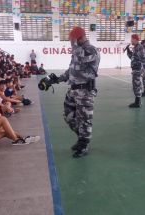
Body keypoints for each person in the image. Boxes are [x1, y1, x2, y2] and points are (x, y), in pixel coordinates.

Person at [44, 27, 100, 158]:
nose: (70, 42)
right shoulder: (76, 52)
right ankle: (82, 138)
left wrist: (74, 44)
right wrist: (57, 79)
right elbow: (71, 70)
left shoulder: (91, 50)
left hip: (85, 91)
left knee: (85, 120)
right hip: (73, 90)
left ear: (79, 38)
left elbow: (81, 56)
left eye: (72, 39)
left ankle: (84, 145)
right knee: (68, 116)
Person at [124, 34, 145, 108]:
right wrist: (128, 50)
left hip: (138, 69)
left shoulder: (140, 47)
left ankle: (138, 103)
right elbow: (132, 58)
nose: (131, 41)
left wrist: (144, 69)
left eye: (132, 39)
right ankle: (137, 101)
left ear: (135, 39)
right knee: (136, 85)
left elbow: (144, 58)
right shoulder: (135, 48)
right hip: (135, 69)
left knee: (137, 85)